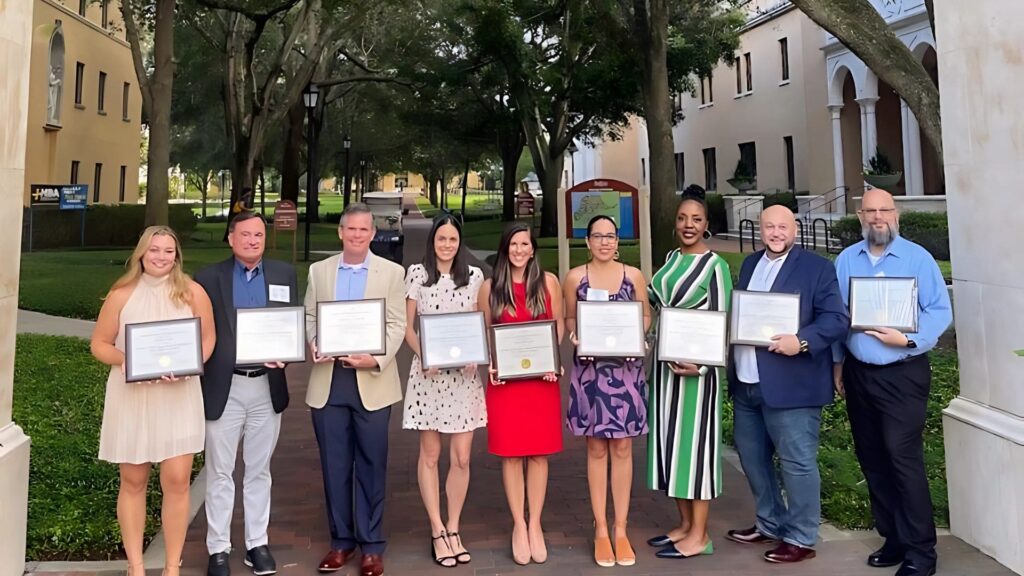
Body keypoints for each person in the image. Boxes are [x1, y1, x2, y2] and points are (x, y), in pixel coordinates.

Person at [833, 188, 951, 576]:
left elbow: (939, 310)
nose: (877, 216)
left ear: (895, 214)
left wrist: (909, 339)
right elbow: (836, 316)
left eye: (884, 209)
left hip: (903, 373)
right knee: (873, 459)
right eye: (870, 211)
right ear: (860, 215)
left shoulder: (918, 258)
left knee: (902, 459)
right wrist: (837, 365)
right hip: (858, 373)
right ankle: (894, 538)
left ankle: (922, 552)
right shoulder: (848, 260)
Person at [726, 205, 849, 563]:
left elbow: (836, 319)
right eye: (769, 227)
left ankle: (801, 535)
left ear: (794, 230)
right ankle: (769, 523)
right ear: (759, 230)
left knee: (796, 462)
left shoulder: (817, 268)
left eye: (782, 227)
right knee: (753, 459)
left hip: (793, 384)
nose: (775, 233)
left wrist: (803, 341)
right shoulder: (750, 265)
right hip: (748, 380)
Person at [91, 226, 216, 576]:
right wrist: (125, 359)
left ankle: (172, 565)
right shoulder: (122, 293)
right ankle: (136, 565)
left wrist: (192, 365)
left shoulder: (192, 292)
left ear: (177, 256)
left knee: (177, 479)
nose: (161, 257)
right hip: (132, 397)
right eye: (154, 250)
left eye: (168, 251)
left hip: (178, 395)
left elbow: (208, 339)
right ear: (141, 253)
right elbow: (99, 344)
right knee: (133, 480)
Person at [304, 203, 406, 576]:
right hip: (329, 381)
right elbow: (311, 316)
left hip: (372, 382)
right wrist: (314, 341)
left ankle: (372, 546)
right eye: (351, 230)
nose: (357, 236)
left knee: (371, 464)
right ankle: (341, 542)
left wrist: (375, 358)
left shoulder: (392, 273)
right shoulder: (320, 271)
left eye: (364, 230)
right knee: (334, 467)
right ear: (341, 232)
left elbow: (396, 325)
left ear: (372, 234)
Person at [194, 212, 299, 576]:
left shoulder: (284, 274)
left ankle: (258, 544)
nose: (253, 240)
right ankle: (218, 548)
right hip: (225, 386)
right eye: (245, 235)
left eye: (258, 234)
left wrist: (289, 351)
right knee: (220, 471)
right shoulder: (208, 279)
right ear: (230, 239)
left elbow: (291, 325)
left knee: (259, 470)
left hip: (267, 386)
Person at [644, 189, 733, 560]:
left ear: (707, 225)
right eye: (682, 218)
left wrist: (703, 364)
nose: (688, 225)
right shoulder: (670, 259)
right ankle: (683, 525)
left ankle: (700, 535)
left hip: (697, 375)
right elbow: (654, 303)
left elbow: (724, 322)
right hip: (665, 372)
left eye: (696, 219)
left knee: (694, 452)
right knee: (670, 448)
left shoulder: (716, 267)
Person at [563, 215, 650, 567]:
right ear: (587, 242)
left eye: (610, 236)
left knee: (624, 447)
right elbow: (570, 317)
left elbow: (645, 316)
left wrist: (638, 336)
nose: (604, 242)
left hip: (626, 371)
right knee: (597, 448)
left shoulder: (633, 276)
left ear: (618, 241)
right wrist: (574, 334)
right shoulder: (575, 278)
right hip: (590, 373)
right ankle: (601, 529)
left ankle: (621, 529)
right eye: (597, 236)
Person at [402, 213, 486, 568]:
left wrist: (475, 356)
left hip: (464, 379)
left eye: (452, 239)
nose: (447, 245)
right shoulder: (418, 275)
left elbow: (480, 324)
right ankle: (436, 529)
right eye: (441, 239)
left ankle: (454, 527)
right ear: (432, 241)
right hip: (430, 378)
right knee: (431, 455)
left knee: (462, 458)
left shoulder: (476, 276)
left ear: (459, 241)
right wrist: (424, 355)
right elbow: (407, 327)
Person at [478, 223, 564, 566]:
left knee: (539, 454)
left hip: (540, 382)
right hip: (506, 383)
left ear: (533, 249)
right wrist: (492, 365)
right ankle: (518, 523)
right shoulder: (490, 288)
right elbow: (483, 333)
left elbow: (556, 327)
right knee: (512, 455)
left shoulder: (549, 283)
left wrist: (551, 360)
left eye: (524, 244)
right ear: (505, 248)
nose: (518, 250)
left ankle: (536, 524)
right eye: (513, 244)